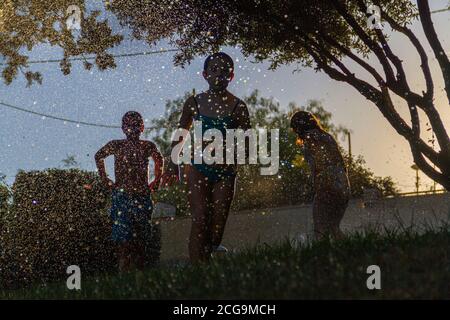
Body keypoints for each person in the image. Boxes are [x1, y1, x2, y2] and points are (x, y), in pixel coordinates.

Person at [161, 52, 251, 262]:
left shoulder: (239, 107)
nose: (218, 74)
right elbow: (180, 133)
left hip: (226, 172)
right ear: (204, 74)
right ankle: (196, 269)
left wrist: (238, 153)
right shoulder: (194, 102)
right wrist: (172, 163)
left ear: (231, 76)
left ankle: (209, 253)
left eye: (224, 71)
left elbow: (247, 141)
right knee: (200, 219)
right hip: (198, 168)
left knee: (216, 226)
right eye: (214, 70)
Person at [95, 111, 163, 272]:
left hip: (141, 196)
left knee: (140, 239)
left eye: (135, 125)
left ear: (142, 128)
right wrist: (104, 178)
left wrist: (157, 180)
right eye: (129, 125)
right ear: (123, 128)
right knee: (123, 240)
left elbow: (159, 159)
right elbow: (99, 156)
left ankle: (139, 272)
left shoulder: (147, 146)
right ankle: (123, 270)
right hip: (122, 196)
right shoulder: (117, 145)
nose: (132, 129)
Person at [290, 111, 350, 240]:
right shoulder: (326, 136)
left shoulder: (310, 137)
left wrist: (321, 186)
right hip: (343, 185)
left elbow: (320, 163)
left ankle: (321, 256)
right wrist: (342, 185)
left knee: (320, 228)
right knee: (334, 228)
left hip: (327, 184)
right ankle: (350, 251)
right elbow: (340, 163)